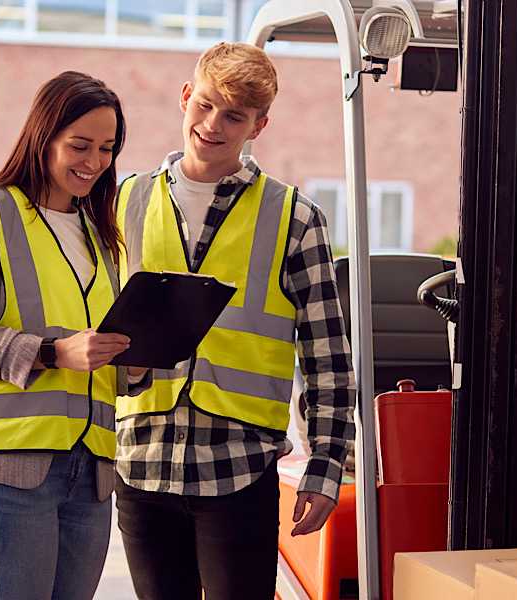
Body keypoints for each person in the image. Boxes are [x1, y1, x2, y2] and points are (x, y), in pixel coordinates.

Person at [114, 42, 356, 600]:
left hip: (238, 470)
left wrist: (325, 467)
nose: (212, 124)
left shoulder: (294, 217)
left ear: (259, 125)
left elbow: (328, 359)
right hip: (142, 464)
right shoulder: (124, 202)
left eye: (234, 116)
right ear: (184, 96)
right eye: (204, 105)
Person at [0, 71, 149, 600]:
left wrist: (132, 368)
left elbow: (96, 357)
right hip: (8, 470)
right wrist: (55, 353)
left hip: (92, 474)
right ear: (42, 136)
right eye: (79, 145)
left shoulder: (101, 235)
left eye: (107, 148)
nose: (94, 162)